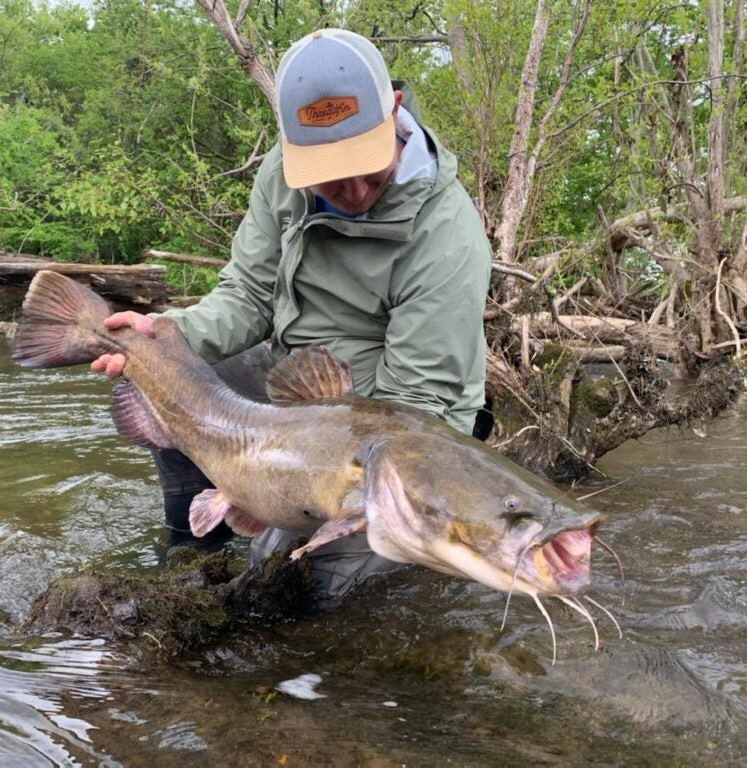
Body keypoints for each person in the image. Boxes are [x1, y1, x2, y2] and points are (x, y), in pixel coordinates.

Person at [92, 28, 492, 601]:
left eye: (368, 166)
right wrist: (165, 336)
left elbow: (411, 415)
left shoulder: (447, 235)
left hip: (391, 417)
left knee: (294, 589)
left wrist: (291, 487)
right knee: (165, 369)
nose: (354, 190)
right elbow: (248, 295)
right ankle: (188, 557)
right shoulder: (282, 172)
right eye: (332, 172)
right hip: (295, 387)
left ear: (394, 111)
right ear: (289, 142)